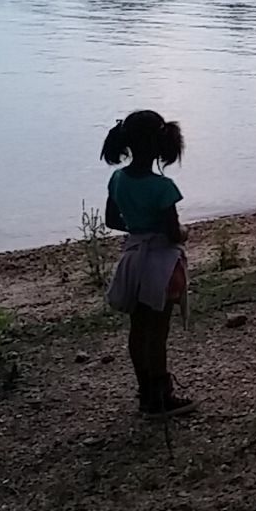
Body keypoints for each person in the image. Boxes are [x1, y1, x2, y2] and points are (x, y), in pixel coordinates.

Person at [101, 110, 195, 418]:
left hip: (132, 259)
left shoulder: (117, 179)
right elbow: (172, 232)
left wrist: (138, 227)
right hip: (161, 266)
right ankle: (161, 398)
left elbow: (112, 220)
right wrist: (185, 233)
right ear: (160, 146)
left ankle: (145, 394)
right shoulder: (163, 188)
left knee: (138, 331)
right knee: (159, 333)